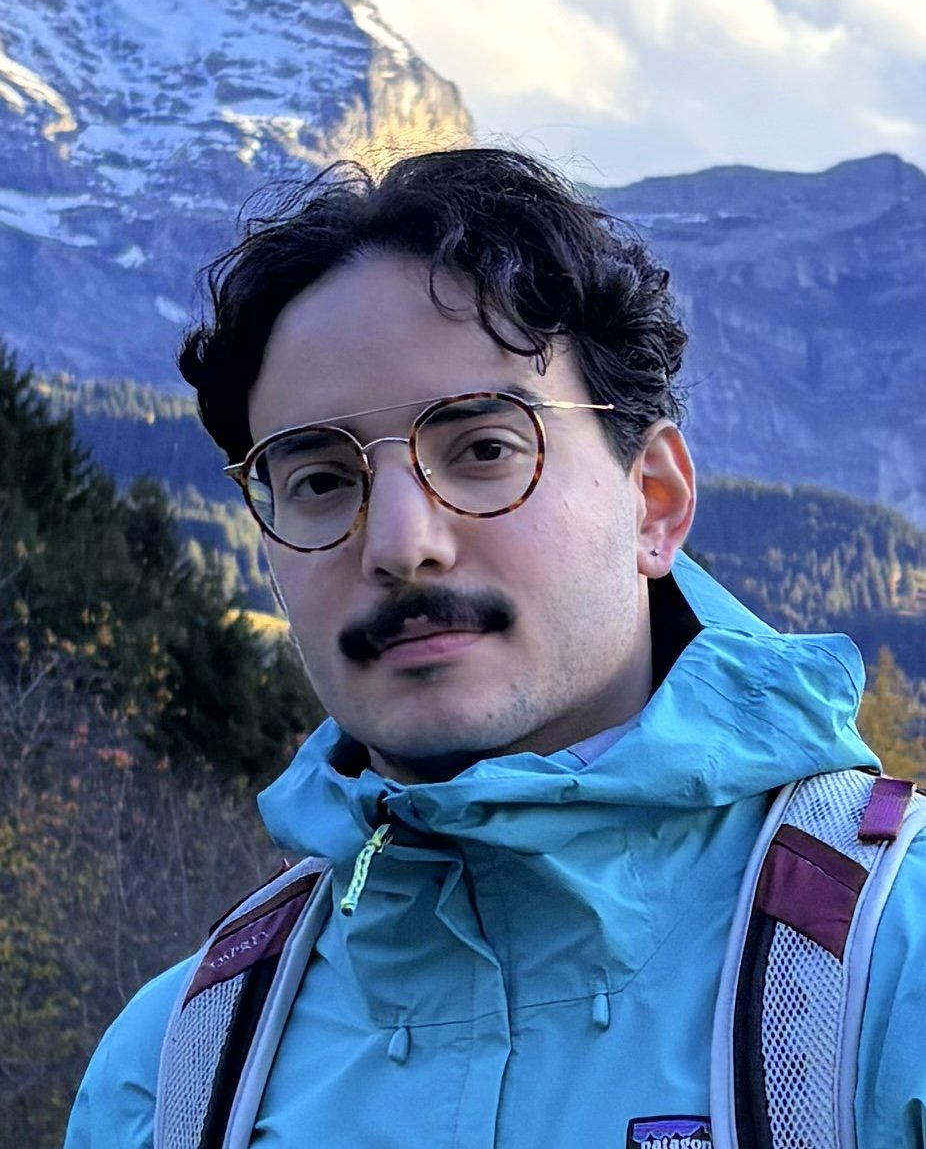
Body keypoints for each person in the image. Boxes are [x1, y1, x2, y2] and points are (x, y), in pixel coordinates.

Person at [65, 148, 925, 1148]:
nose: (397, 542)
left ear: (653, 501)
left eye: (481, 448)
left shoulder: (892, 973)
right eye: (317, 480)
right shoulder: (170, 1072)